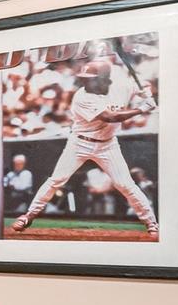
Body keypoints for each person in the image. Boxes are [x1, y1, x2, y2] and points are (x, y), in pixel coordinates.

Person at [12, 53, 158, 236]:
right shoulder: (82, 97)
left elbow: (143, 85)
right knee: (56, 180)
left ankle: (151, 223)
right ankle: (29, 215)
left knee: (126, 185)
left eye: (90, 79)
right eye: (84, 78)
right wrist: (142, 108)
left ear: (105, 79)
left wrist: (146, 91)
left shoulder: (121, 86)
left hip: (108, 145)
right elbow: (110, 117)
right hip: (79, 144)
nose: (85, 82)